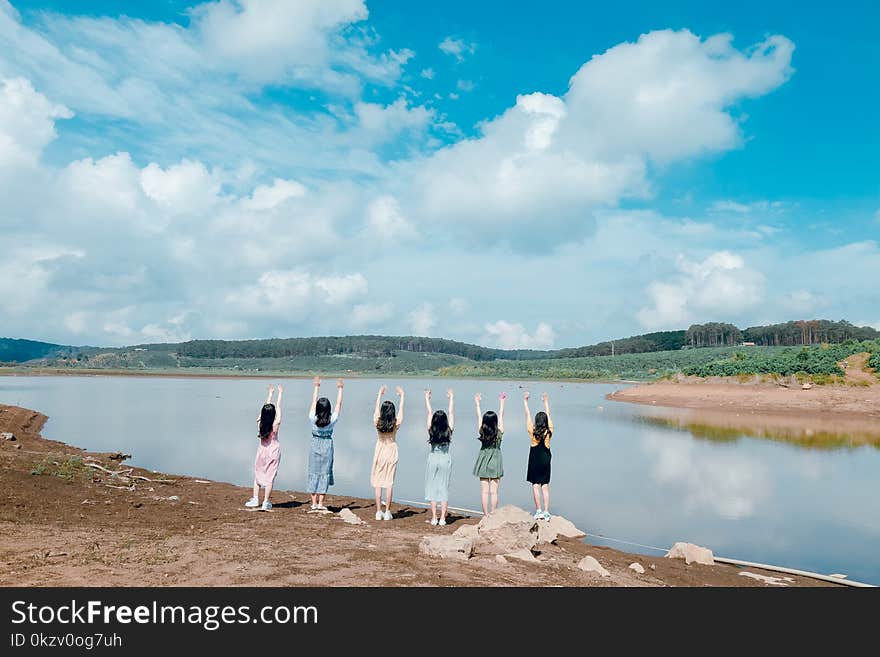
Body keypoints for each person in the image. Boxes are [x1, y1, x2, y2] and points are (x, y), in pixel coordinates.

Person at [307, 376, 343, 511]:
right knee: (324, 472)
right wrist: (340, 389)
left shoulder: (312, 418)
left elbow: (313, 402)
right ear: (329, 409)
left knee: (313, 472)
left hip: (315, 444)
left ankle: (314, 503)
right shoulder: (332, 419)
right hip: (327, 445)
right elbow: (339, 405)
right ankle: (321, 503)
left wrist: (316, 386)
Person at [246, 384, 283, 511]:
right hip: (273, 451)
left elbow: (264, 410)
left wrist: (270, 394)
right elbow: (277, 408)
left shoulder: (260, 423)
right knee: (270, 476)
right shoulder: (275, 424)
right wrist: (279, 394)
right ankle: (266, 502)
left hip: (262, 451)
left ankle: (255, 499)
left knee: (258, 475)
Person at [371, 385, 404, 520]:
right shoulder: (395, 423)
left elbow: (376, 410)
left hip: (380, 450)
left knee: (378, 482)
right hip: (391, 450)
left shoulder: (377, 421)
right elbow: (401, 412)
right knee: (389, 482)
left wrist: (379, 394)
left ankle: (379, 511)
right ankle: (387, 511)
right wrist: (402, 396)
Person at [472, 391, 505, 516]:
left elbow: (479, 416)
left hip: (483, 460)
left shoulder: (482, 431)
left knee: (484, 492)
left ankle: (486, 515)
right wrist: (502, 401)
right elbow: (501, 415)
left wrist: (477, 403)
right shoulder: (499, 431)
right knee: (494, 492)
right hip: (496, 460)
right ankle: (493, 514)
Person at [424, 388, 454, 526]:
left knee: (432, 487)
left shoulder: (431, 429)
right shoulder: (449, 430)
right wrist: (451, 398)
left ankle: (434, 518)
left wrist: (427, 399)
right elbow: (451, 412)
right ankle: (442, 518)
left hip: (433, 458)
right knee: (444, 487)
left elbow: (429, 413)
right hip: (445, 459)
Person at [523, 391, 553, 520]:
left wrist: (525, 401)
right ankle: (546, 512)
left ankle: (539, 510)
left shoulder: (532, 432)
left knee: (535, 485)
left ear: (536, 421)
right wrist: (546, 402)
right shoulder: (549, 432)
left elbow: (527, 415)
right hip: (546, 460)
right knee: (545, 486)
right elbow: (549, 417)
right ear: (546, 422)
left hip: (534, 460)